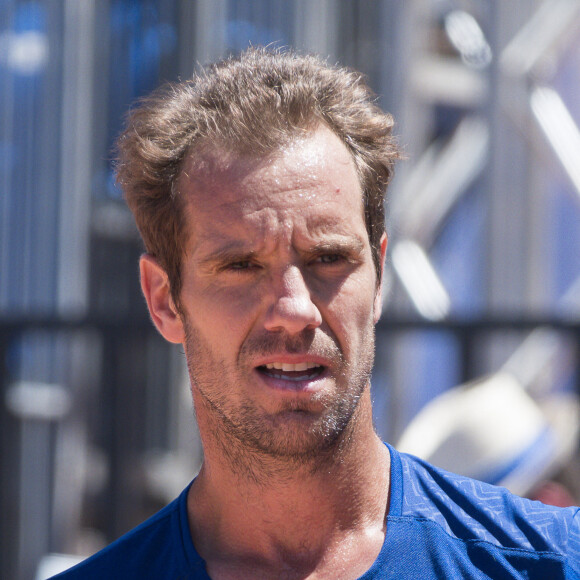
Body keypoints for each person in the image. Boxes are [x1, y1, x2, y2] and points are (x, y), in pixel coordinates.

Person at [52, 47, 579, 580]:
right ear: (164, 300)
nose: (295, 309)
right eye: (240, 266)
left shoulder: (554, 562)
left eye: (328, 258)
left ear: (377, 275)